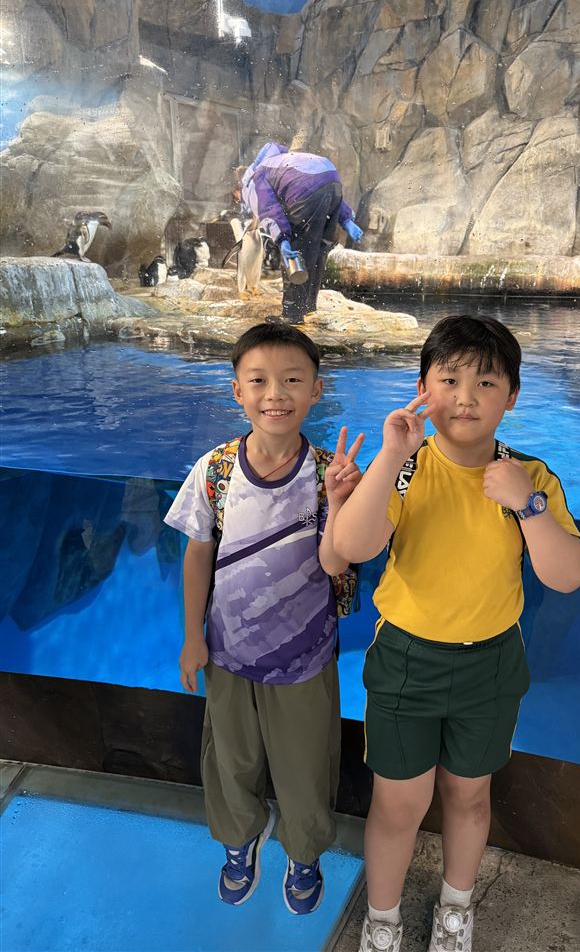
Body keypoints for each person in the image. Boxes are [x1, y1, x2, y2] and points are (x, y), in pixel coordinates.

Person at [332, 314, 580, 952]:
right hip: (405, 660)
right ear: (423, 387)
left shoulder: (531, 478)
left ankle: (455, 909)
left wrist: (526, 505)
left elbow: (566, 576)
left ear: (512, 397)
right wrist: (390, 454)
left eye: (486, 382)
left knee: (469, 797)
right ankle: (382, 920)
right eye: (449, 380)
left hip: (490, 663)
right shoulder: (406, 468)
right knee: (398, 804)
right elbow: (352, 546)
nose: (466, 397)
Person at [164, 323, 364, 915]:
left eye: (292, 380)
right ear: (237, 391)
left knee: (306, 765)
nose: (275, 394)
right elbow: (198, 552)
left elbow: (340, 562)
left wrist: (342, 501)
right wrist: (192, 637)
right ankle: (239, 841)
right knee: (231, 759)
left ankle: (303, 853)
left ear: (316, 390)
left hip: (305, 660)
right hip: (227, 655)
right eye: (258, 380)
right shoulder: (216, 470)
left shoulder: (329, 475)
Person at [239, 142, 364, 325]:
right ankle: (308, 306)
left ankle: (292, 314)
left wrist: (283, 239)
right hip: (331, 177)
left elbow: (270, 210)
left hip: (305, 191)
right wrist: (346, 219)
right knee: (318, 250)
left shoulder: (257, 176)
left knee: (297, 253)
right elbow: (322, 185)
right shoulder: (285, 162)